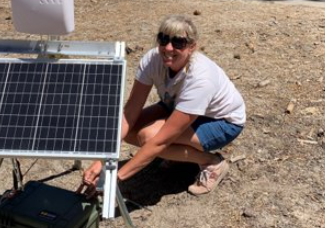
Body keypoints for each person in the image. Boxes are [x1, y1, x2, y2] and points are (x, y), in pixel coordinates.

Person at [80, 15, 246, 196]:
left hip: (222, 121)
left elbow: (161, 141)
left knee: (149, 137)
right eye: (164, 39)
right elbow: (129, 114)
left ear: (192, 47)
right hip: (177, 106)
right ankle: (179, 155)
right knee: (129, 129)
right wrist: (101, 161)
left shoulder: (201, 78)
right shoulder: (152, 59)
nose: (168, 48)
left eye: (178, 42)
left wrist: (116, 178)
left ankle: (212, 162)